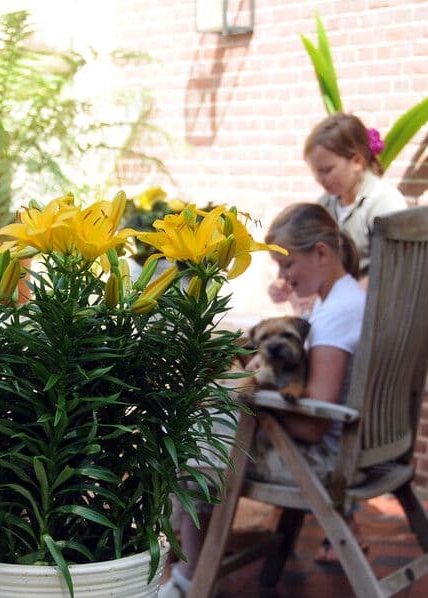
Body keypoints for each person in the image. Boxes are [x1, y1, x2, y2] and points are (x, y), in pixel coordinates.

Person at [160, 203, 366, 597]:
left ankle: (190, 579)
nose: (283, 277)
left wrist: (253, 394)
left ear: (321, 252)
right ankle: (193, 561)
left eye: (286, 265)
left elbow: (313, 422)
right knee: (208, 422)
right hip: (345, 448)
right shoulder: (345, 299)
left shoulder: (336, 314)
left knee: (190, 436)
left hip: (317, 460)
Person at [270, 113, 407, 305]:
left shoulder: (384, 202)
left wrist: (341, 301)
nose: (320, 179)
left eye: (326, 170)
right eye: (316, 172)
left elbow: (392, 271)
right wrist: (287, 281)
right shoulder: (325, 205)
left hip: (370, 311)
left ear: (357, 162)